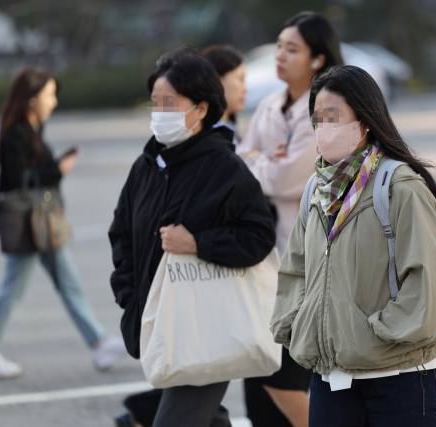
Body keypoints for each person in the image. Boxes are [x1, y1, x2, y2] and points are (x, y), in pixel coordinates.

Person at [270, 65, 436, 427]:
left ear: (366, 119)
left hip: (399, 377)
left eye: (333, 117)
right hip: (330, 378)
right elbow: (295, 270)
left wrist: (376, 334)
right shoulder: (316, 190)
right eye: (317, 119)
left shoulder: (400, 187)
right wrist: (296, 325)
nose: (323, 128)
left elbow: (431, 284)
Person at [108, 46, 276, 427]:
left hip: (206, 327)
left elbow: (259, 236)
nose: (160, 112)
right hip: (161, 324)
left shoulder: (224, 168)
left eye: (171, 102)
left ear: (201, 109)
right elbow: (121, 234)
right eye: (155, 102)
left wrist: (198, 243)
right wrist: (129, 294)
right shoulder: (147, 165)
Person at [0, 66, 127, 380]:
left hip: (40, 226)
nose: (53, 102)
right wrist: (58, 170)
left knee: (68, 284)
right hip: (29, 226)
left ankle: (98, 343)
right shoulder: (16, 132)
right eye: (49, 95)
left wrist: (55, 166)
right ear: (31, 99)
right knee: (12, 289)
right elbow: (17, 181)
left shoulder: (31, 128)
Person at [236, 11, 344, 427]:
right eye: (279, 45)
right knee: (260, 376)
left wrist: (259, 163)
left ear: (317, 59)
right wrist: (263, 161)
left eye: (291, 48)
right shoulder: (268, 106)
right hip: (264, 262)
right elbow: (239, 164)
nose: (279, 55)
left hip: (309, 263)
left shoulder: (327, 109)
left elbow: (286, 178)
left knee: (287, 378)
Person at [202, 44, 247, 146]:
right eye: (240, 79)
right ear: (216, 81)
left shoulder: (230, 130)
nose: (245, 89)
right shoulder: (208, 140)